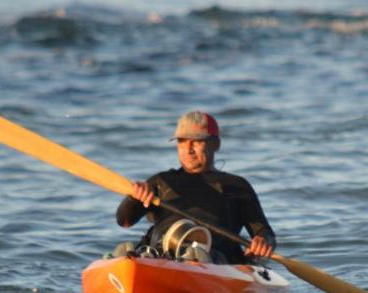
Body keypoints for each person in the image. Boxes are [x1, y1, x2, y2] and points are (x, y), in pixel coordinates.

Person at [116, 110, 275, 264]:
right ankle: (135, 261)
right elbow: (124, 221)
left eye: (197, 141)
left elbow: (265, 233)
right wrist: (134, 197)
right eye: (182, 141)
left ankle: (192, 261)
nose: (188, 149)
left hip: (213, 260)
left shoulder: (237, 186)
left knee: (199, 256)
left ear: (216, 144)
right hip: (161, 255)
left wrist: (262, 242)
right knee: (134, 252)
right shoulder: (161, 181)